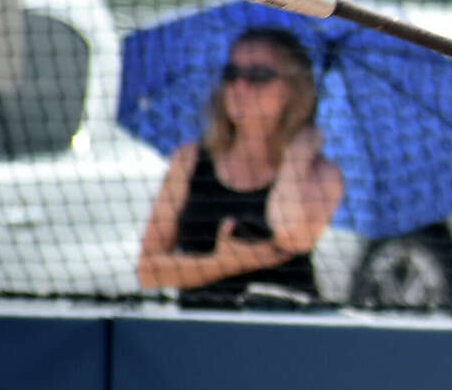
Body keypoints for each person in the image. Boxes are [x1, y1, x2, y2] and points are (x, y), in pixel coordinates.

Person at [138, 26, 345, 309]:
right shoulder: (189, 161)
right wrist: (223, 263)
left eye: (258, 76)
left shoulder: (322, 174)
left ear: (293, 91)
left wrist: (297, 158)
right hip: (201, 327)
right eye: (231, 74)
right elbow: (148, 270)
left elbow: (292, 236)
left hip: (287, 330)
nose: (240, 87)